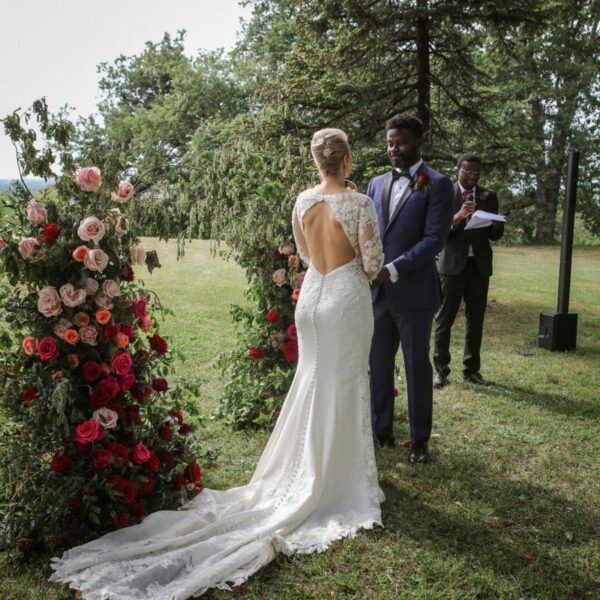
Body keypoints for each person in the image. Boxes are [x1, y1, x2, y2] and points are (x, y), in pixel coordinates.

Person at [50, 128, 386, 599]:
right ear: (347, 160)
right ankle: (332, 479)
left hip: (311, 298)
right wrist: (362, 270)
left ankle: (305, 467)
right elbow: (372, 263)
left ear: (318, 161)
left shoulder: (302, 201)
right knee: (344, 382)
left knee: (312, 380)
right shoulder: (360, 203)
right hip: (346, 297)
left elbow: (306, 254)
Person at [367, 114, 454, 464]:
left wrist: (392, 269)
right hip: (377, 295)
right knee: (378, 363)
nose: (394, 149)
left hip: (415, 294)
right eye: (390, 143)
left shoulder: (438, 183)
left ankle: (419, 441)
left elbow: (435, 240)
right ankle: (380, 431)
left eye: (400, 142)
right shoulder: (374, 184)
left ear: (418, 141)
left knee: (418, 368)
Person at [433, 153, 504, 387]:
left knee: (476, 319)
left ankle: (472, 370)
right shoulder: (444, 194)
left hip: (479, 266)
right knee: (445, 318)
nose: (473, 177)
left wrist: (496, 226)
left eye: (477, 173)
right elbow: (438, 232)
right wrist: (458, 217)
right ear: (457, 171)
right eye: (468, 172)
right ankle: (441, 370)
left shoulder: (488, 196)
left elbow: (494, 235)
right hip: (452, 265)